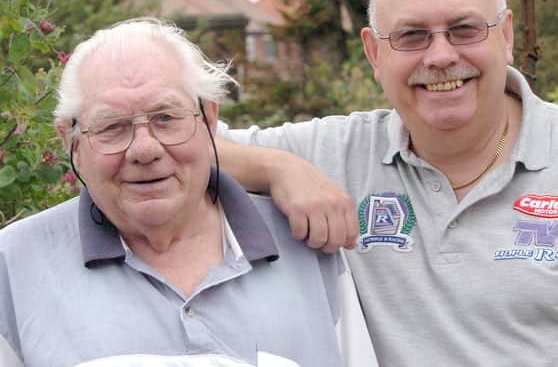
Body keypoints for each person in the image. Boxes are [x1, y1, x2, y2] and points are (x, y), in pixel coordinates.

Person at [216, 0, 558, 365]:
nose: (440, 56)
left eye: (465, 29)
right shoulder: (337, 155)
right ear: (373, 52)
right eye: (411, 35)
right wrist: (278, 167)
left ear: (506, 35)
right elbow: (186, 143)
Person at [0, 18, 377, 367]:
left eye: (166, 118)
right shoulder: (12, 266)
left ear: (209, 120)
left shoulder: (309, 250)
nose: (144, 149)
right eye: (112, 126)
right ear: (71, 142)